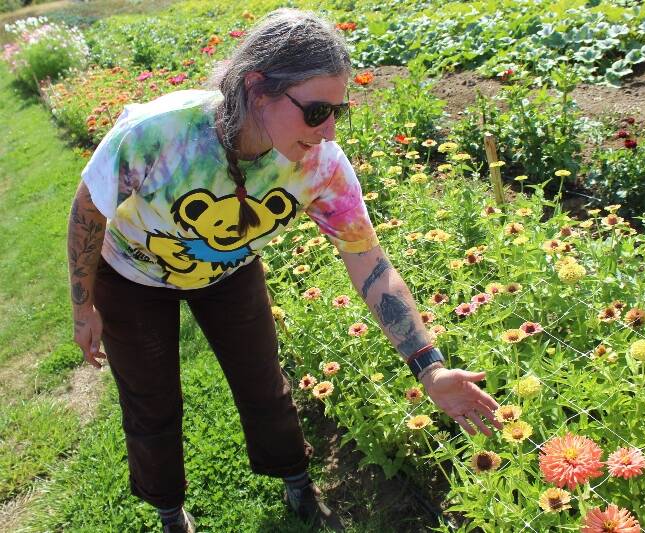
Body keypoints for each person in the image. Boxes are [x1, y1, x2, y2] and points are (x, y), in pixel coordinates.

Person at [68, 8, 502, 532]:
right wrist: (83, 306)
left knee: (263, 383)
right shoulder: (160, 131)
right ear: (257, 88)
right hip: (131, 277)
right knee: (150, 400)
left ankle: (296, 479)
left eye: (339, 111)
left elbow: (370, 262)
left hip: (228, 272)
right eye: (317, 111)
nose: (329, 130)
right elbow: (88, 208)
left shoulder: (321, 165)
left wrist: (429, 367)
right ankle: (169, 511)